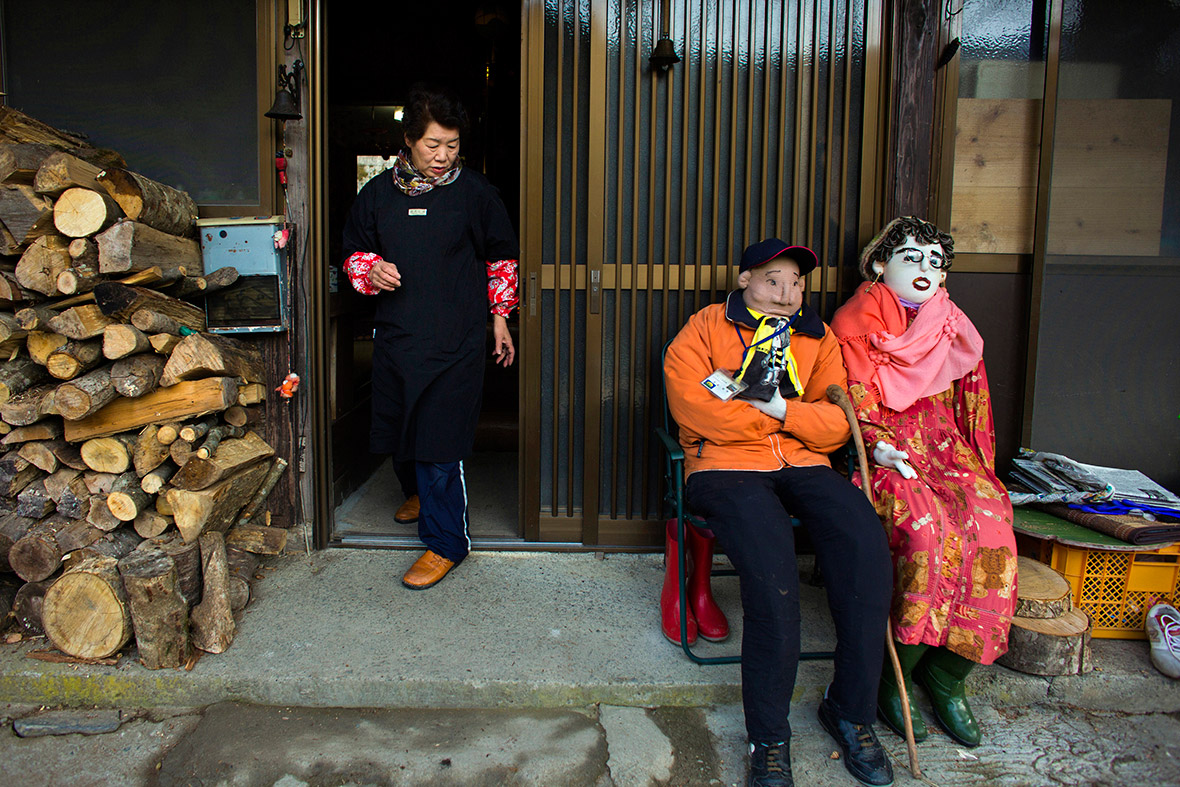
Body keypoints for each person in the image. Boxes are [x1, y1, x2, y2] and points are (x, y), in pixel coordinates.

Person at [664, 239, 894, 787]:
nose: (787, 293)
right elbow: (697, 411)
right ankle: (768, 737)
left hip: (804, 463)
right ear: (745, 279)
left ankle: (850, 710)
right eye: (773, 279)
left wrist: (782, 412)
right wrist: (786, 418)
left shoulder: (817, 337)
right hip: (724, 466)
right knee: (772, 576)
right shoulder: (703, 329)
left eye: (796, 283)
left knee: (865, 547)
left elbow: (838, 423)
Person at [829, 217, 1017, 748]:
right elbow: (845, 401)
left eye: (936, 261)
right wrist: (874, 445)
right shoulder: (854, 324)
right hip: (885, 453)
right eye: (912, 257)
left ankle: (948, 675)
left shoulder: (953, 323)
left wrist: (980, 469)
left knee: (993, 526)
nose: (926, 269)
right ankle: (896, 674)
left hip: (949, 451)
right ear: (879, 264)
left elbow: (973, 408)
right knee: (927, 533)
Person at [341, 84, 519, 591]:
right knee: (401, 429)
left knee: (441, 441)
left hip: (457, 338)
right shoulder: (376, 195)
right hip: (398, 337)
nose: (443, 156)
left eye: (453, 145)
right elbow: (353, 253)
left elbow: (501, 258)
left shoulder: (477, 194)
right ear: (408, 141)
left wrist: (501, 317)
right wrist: (370, 270)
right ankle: (417, 492)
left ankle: (446, 542)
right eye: (432, 145)